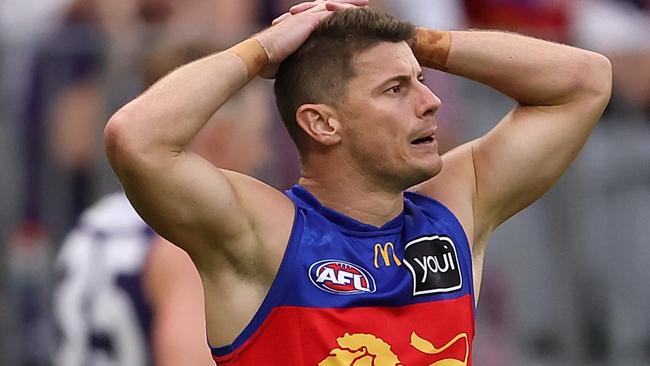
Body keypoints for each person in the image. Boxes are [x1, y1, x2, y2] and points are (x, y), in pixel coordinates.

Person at [104, 1, 612, 364]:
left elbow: (585, 81)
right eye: (395, 89)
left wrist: (415, 43)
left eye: (422, 80)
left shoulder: (454, 209)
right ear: (323, 123)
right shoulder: (267, 235)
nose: (429, 102)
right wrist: (263, 47)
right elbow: (135, 139)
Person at [53, 41, 272, 366]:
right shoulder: (186, 241)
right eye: (258, 135)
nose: (263, 154)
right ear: (221, 139)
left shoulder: (97, 221)